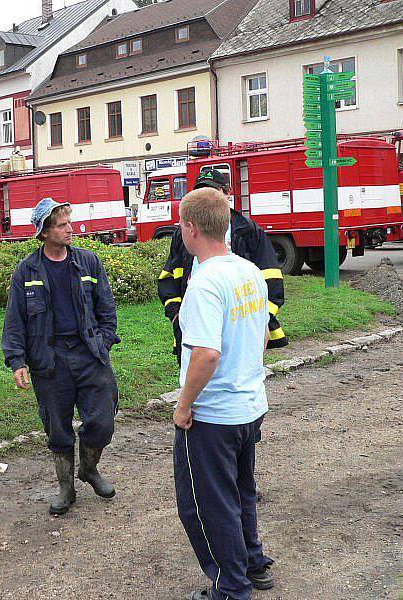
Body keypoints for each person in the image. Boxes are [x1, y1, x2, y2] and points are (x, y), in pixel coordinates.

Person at [172, 187, 274, 600]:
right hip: (250, 406)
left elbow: (206, 354)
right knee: (241, 490)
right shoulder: (248, 271)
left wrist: (183, 406)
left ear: (191, 229)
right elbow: (264, 333)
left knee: (205, 504)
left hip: (213, 416)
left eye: (181, 225)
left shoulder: (204, 283)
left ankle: (231, 587)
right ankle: (253, 564)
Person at [2, 198, 120, 515]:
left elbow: (107, 310)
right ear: (44, 232)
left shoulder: (88, 263)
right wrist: (17, 361)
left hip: (89, 355)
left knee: (102, 421)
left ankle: (89, 468)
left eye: (68, 222)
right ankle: (66, 488)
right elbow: (15, 321)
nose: (69, 229)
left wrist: (104, 341)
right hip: (50, 360)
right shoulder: (26, 271)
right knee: (57, 427)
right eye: (61, 225)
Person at [158, 169, 287, 366]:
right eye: (201, 194)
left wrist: (257, 321)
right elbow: (169, 277)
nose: (208, 199)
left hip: (239, 330)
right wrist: (177, 317)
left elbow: (272, 282)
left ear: (227, 193)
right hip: (195, 327)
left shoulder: (248, 231)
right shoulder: (182, 234)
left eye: (213, 192)